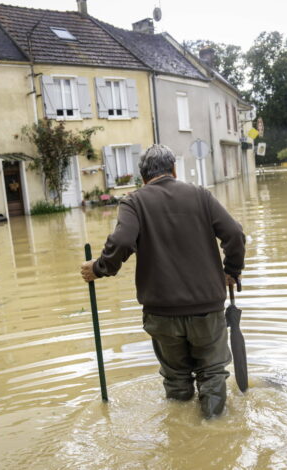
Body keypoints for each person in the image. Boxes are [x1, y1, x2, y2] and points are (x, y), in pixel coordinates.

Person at [80, 144, 245, 418]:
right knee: (212, 373)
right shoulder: (201, 196)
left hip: (162, 313)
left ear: (143, 177)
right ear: (174, 170)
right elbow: (235, 234)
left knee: (176, 378)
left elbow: (122, 241)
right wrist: (232, 270)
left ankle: (179, 429)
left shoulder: (134, 202)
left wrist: (99, 268)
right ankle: (214, 426)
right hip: (207, 309)